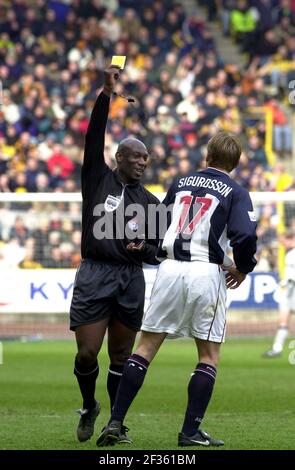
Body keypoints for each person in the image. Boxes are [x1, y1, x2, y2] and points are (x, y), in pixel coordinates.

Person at [96, 131, 257, 447]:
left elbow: (157, 224)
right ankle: (189, 431)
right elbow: (245, 235)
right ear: (236, 164)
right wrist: (244, 267)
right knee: (209, 355)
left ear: (207, 156)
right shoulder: (236, 192)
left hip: (169, 270)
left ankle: (115, 422)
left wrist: (149, 248)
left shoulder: (181, 183)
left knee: (145, 348)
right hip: (206, 272)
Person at [70, 66, 159, 443]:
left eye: (146, 159)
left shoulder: (151, 202)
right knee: (88, 354)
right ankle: (90, 406)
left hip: (129, 279)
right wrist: (106, 94)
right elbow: (94, 136)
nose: (142, 162)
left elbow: (157, 252)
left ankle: (115, 423)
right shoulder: (97, 178)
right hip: (94, 274)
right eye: (136, 157)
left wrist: (146, 250)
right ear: (120, 157)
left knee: (121, 358)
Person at [263, 229, 295, 358]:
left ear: (291, 238)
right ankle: (277, 348)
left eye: (283, 241)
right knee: (283, 320)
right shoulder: (289, 254)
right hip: (289, 290)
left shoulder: (292, 254)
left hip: (293, 289)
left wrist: (288, 280)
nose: (282, 244)